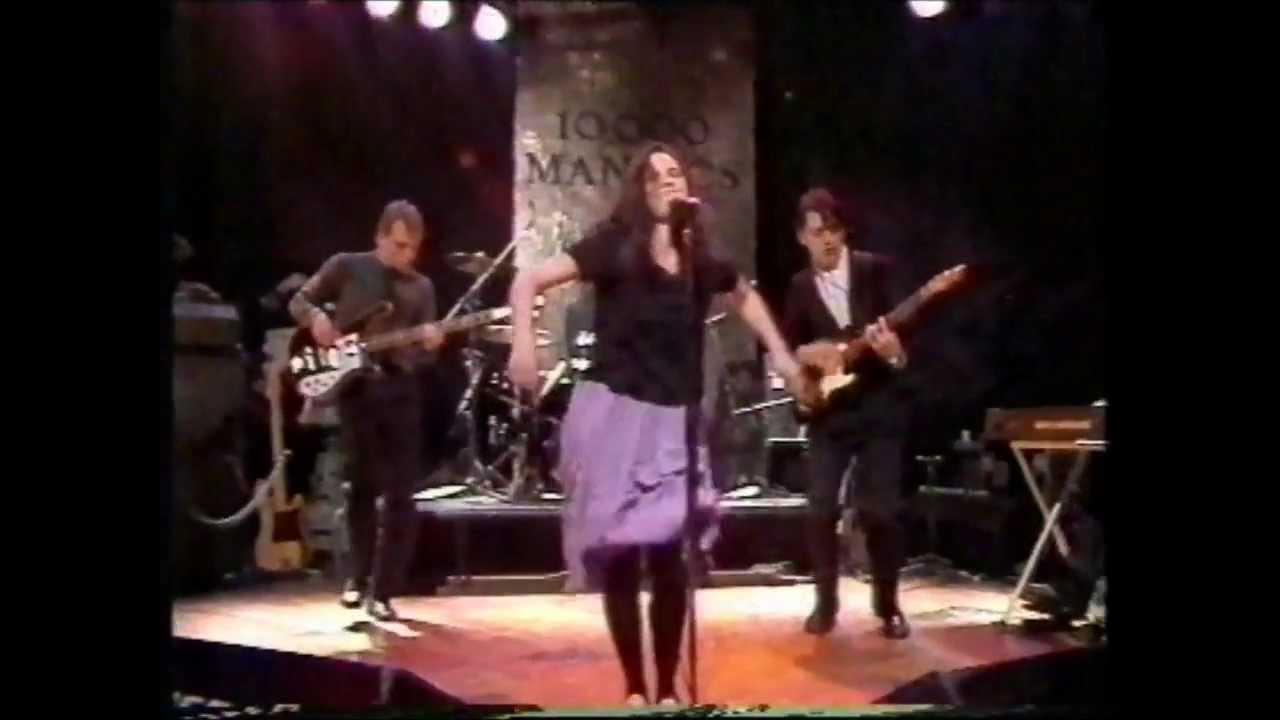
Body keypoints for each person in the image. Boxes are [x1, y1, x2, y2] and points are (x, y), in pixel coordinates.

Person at [506, 144, 809, 706]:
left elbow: (745, 296)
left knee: (670, 554)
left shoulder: (699, 255)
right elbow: (528, 280)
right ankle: (635, 688)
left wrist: (785, 360)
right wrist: (523, 344)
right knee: (622, 555)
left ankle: (668, 688)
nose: (668, 181)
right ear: (640, 191)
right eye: (656, 175)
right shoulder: (614, 245)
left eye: (675, 172)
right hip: (615, 413)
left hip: (675, 418)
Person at [288, 199, 444, 621]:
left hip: (400, 392)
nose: (406, 255)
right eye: (399, 245)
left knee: (401, 494)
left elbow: (424, 358)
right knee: (359, 486)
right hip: (357, 391)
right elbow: (300, 300)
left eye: (413, 248)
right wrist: (317, 319)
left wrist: (430, 345)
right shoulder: (346, 266)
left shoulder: (422, 288)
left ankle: (385, 592)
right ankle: (356, 580)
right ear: (379, 237)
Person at [782, 188, 915, 639]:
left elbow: (907, 342)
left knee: (882, 513)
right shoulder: (799, 287)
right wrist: (809, 356)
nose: (828, 240)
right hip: (830, 416)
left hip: (878, 412)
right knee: (820, 508)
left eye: (834, 229)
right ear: (802, 238)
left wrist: (894, 353)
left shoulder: (876, 271)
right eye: (818, 232)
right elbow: (790, 349)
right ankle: (825, 603)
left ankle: (888, 605)